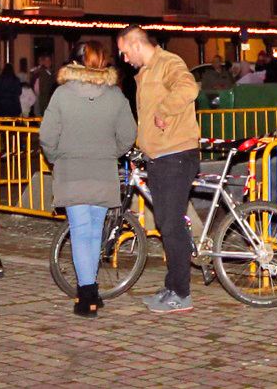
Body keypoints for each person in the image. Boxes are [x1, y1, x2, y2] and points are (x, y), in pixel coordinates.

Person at [38, 42, 137, 318]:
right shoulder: (116, 97)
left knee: (81, 233)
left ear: (78, 62)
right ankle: (90, 289)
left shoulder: (62, 95)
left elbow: (47, 136)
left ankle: (87, 298)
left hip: (72, 172)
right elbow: (128, 135)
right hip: (103, 172)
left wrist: (58, 156)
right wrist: (110, 153)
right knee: (94, 234)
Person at [118, 26, 200, 313]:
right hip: (160, 156)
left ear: (136, 45)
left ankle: (182, 294)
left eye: (125, 52)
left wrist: (165, 112)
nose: (124, 58)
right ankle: (172, 286)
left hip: (175, 155)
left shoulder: (169, 63)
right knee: (167, 224)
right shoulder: (146, 72)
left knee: (171, 224)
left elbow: (189, 87)